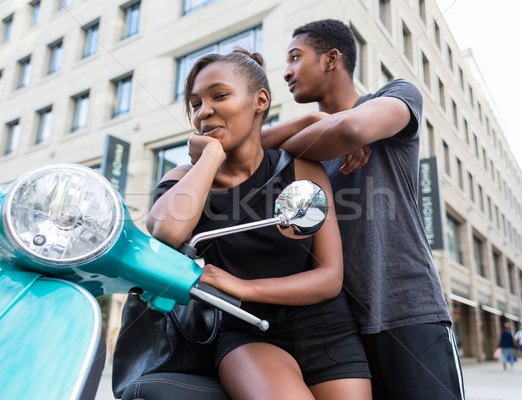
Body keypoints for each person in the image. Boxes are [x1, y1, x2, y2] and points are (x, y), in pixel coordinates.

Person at [146, 49, 372, 400]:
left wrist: (242, 287)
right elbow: (166, 232)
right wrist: (211, 156)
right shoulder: (185, 178)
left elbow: (329, 278)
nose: (203, 111)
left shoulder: (301, 169)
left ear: (260, 100)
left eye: (219, 96)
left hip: (328, 331)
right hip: (248, 334)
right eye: (195, 104)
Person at [261, 19, 465, 400]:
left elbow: (352, 132)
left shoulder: (396, 94)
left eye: (295, 57)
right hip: (338, 333)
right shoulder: (305, 144)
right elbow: (245, 151)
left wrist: (335, 129)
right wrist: (315, 120)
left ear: (331, 59)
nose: (286, 71)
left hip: (407, 312)